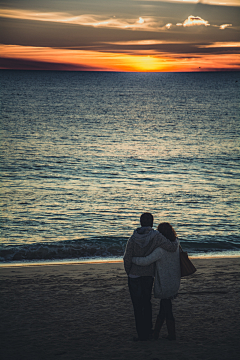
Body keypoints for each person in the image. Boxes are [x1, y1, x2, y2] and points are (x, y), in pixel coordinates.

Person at [123, 214, 178, 341]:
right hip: (148, 275)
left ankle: (141, 335)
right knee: (146, 303)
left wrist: (129, 271)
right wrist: (175, 239)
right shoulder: (157, 237)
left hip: (134, 275)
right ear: (152, 223)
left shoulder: (132, 238)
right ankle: (148, 331)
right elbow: (172, 247)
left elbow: (127, 257)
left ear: (140, 222)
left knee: (137, 306)